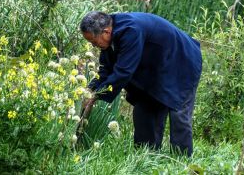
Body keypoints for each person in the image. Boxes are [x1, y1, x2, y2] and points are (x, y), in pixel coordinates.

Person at [79, 11, 202, 156]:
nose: (94, 46)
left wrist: (96, 96)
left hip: (182, 60)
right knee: (145, 106)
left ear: (106, 31)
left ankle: (182, 162)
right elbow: (107, 69)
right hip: (156, 67)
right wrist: (90, 90)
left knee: (178, 113)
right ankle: (146, 159)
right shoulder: (110, 34)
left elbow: (123, 72)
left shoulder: (130, 30)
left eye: (94, 41)